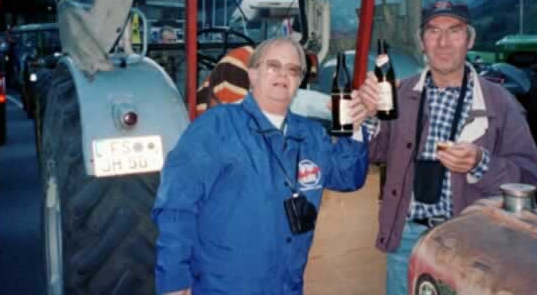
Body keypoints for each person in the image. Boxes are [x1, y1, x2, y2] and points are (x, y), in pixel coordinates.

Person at [151, 37, 378, 295]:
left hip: (286, 286)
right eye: (273, 66)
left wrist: (354, 129)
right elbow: (176, 206)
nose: (283, 75)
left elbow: (348, 177)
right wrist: (174, 279)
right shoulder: (216, 128)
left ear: (299, 80)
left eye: (293, 69)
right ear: (252, 74)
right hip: (222, 287)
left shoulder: (312, 135)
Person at [359, 0, 537, 295]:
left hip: (473, 245)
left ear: (470, 39)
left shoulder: (499, 102)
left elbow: (535, 183)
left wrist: (481, 164)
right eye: (433, 31)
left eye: (454, 31)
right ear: (421, 41)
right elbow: (374, 153)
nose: (443, 42)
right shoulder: (400, 93)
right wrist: (369, 117)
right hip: (406, 241)